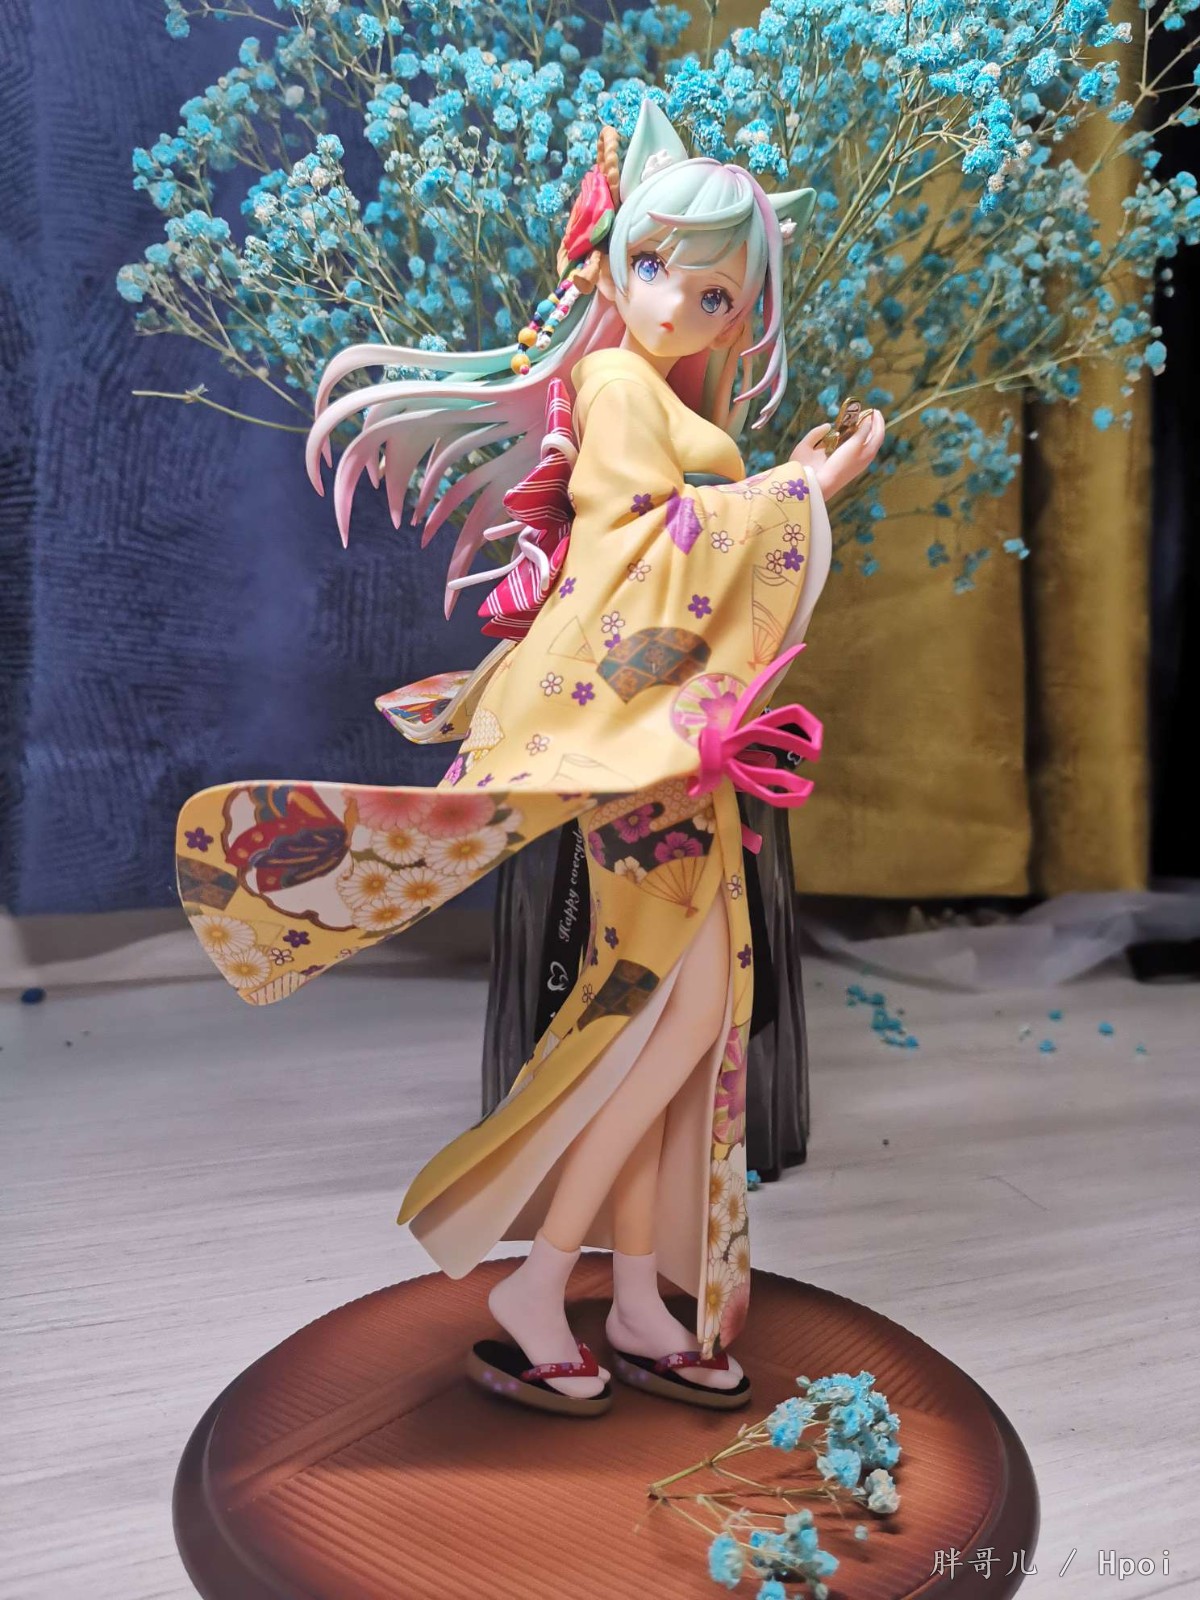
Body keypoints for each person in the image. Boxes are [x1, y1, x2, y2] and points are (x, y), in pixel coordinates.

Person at [174, 100, 885, 1418]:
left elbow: (681, 524)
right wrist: (803, 497)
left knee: (676, 1026)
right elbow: (641, 555)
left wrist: (779, 481)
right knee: (652, 1025)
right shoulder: (614, 385)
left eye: (715, 295)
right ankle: (542, 1280)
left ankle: (634, 1301)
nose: (676, 304)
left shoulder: (650, 392)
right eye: (656, 265)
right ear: (614, 257)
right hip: (640, 754)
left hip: (674, 757)